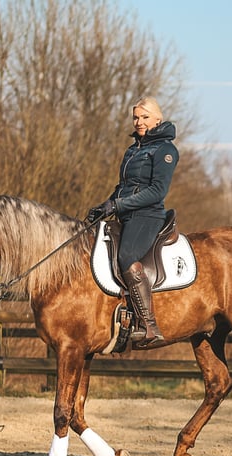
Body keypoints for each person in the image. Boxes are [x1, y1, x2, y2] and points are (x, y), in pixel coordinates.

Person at [87, 96, 179, 349]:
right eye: (136, 118)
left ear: (158, 119)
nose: (139, 122)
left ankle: (149, 326)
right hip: (125, 212)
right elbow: (124, 187)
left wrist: (117, 205)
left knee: (127, 256)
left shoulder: (165, 151)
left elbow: (157, 191)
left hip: (148, 215)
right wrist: (105, 205)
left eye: (144, 117)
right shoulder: (134, 149)